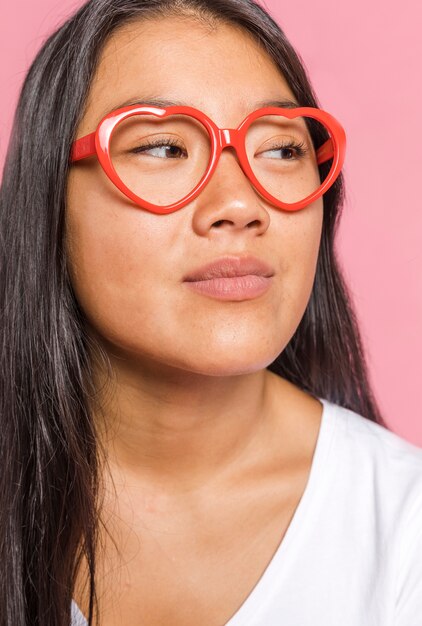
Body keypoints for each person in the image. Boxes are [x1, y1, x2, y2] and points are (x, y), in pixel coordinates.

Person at [1, 0, 421, 624]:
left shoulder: (402, 528)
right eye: (166, 147)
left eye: (281, 149)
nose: (240, 204)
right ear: (50, 201)